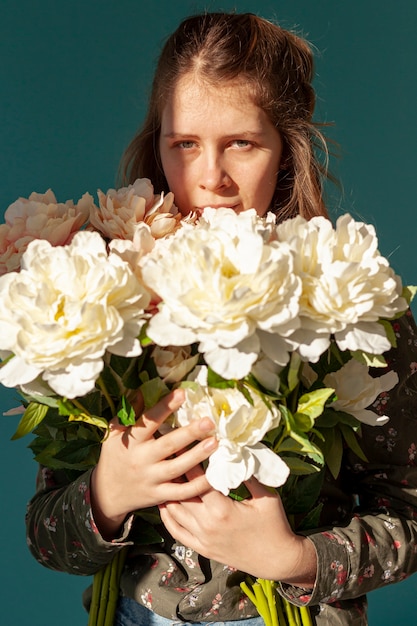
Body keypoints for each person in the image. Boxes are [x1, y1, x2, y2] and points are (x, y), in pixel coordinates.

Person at [25, 12, 417, 626]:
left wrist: (294, 559)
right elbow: (47, 536)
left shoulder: (352, 301)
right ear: (155, 145)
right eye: (184, 144)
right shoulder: (106, 298)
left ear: (286, 150)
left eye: (242, 143)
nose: (212, 179)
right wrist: (107, 496)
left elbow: (409, 516)